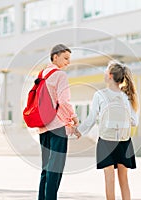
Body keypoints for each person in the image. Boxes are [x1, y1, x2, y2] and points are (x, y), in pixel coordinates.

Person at [74, 60, 139, 200]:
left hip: (106, 141)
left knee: (109, 180)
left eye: (105, 71)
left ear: (109, 75)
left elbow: (91, 119)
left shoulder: (100, 95)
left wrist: (79, 131)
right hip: (124, 142)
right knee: (124, 181)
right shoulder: (127, 96)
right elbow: (135, 121)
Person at [37, 44, 79, 200]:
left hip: (43, 127)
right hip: (57, 127)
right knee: (55, 169)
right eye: (66, 58)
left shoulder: (42, 74)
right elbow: (64, 101)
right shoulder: (60, 75)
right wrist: (74, 117)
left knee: (46, 169)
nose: (68, 62)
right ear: (55, 57)